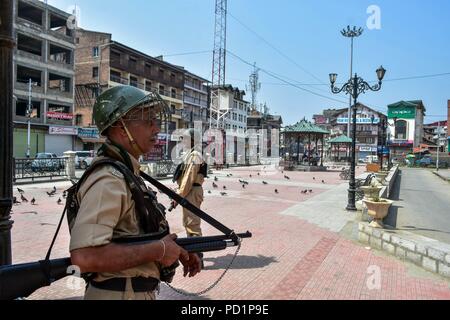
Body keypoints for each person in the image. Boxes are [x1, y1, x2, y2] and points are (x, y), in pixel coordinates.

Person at [69, 85, 201, 300]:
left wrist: (175, 249)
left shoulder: (126, 172)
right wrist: (159, 250)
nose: (156, 128)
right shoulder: (108, 179)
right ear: (122, 128)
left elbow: (132, 235)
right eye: (148, 120)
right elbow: (85, 256)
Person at [172, 128, 207, 267]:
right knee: (189, 223)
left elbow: (188, 178)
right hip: (189, 192)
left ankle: (198, 259)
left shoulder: (195, 155)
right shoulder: (191, 154)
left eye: (184, 138)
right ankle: (194, 255)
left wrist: (178, 196)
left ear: (192, 140)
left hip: (191, 192)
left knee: (192, 225)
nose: (182, 141)